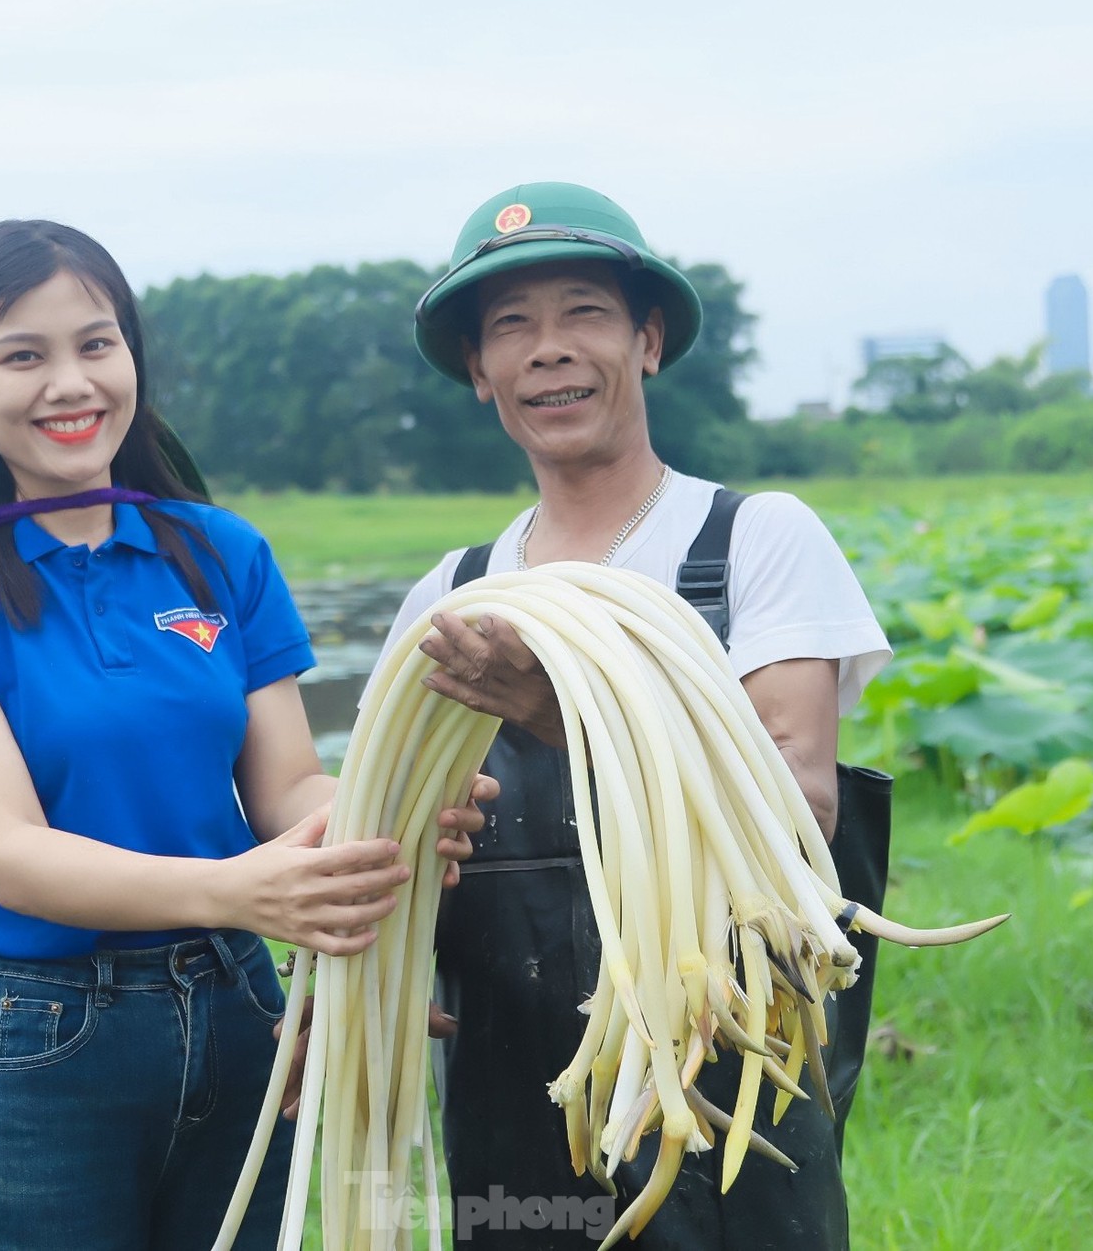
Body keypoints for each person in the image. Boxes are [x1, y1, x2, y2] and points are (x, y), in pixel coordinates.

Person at [0, 218, 493, 1251]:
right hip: (47, 1037)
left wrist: (393, 808)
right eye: (22, 355)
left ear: (131, 354)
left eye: (96, 343)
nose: (69, 382)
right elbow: (8, 854)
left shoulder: (218, 553)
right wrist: (240, 889)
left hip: (239, 1010)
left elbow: (287, 791)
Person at [367, 182, 893, 1250]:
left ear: (647, 340)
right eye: (510, 326)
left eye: (583, 313)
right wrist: (358, 962)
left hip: (730, 1084)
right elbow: (383, 824)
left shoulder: (752, 542)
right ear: (479, 372)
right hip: (514, 1106)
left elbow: (799, 807)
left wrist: (560, 715)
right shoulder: (452, 597)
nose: (548, 350)